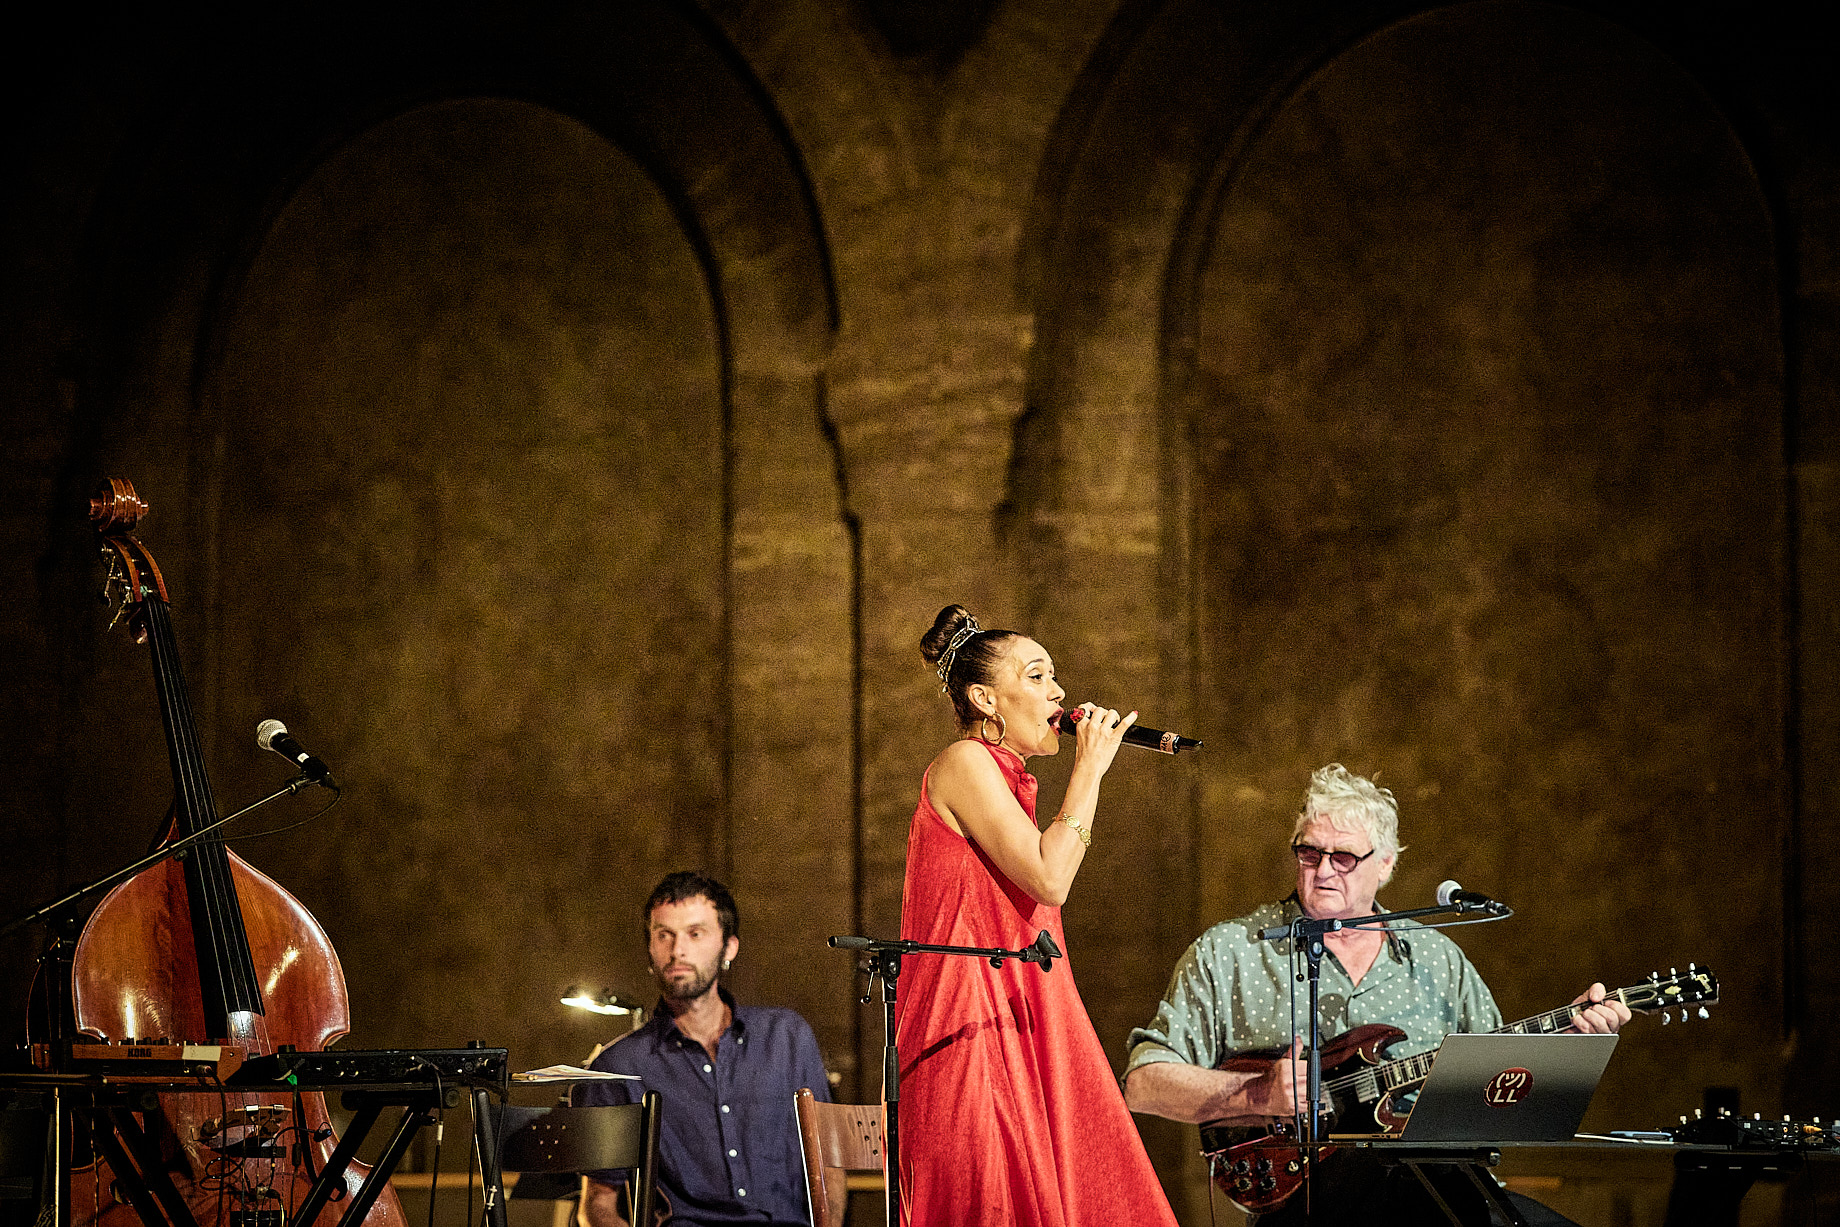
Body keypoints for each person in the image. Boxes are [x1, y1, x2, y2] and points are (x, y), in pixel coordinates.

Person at [1121, 764, 1629, 1225]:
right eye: (1309, 853)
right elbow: (1143, 1084)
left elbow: (1500, 1086)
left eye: (1343, 858)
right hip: (1307, 1200)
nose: (1322, 872)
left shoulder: (1437, 960)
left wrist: (1574, 1038)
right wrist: (1255, 1094)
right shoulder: (1231, 951)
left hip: (1438, 1190)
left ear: (1385, 864)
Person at [895, 604, 1179, 1227]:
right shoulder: (963, 763)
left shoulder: (1006, 779)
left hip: (1024, 1009)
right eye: (1037, 675)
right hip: (972, 1021)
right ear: (985, 699)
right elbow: (1050, 877)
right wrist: (1089, 769)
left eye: (1055, 678)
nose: (1059, 693)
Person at [578, 871, 836, 1227]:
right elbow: (597, 1206)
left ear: (728, 947)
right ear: (650, 949)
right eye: (664, 935)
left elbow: (829, 1170)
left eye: (695, 934)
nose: (678, 950)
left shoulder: (787, 1037)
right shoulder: (617, 1066)